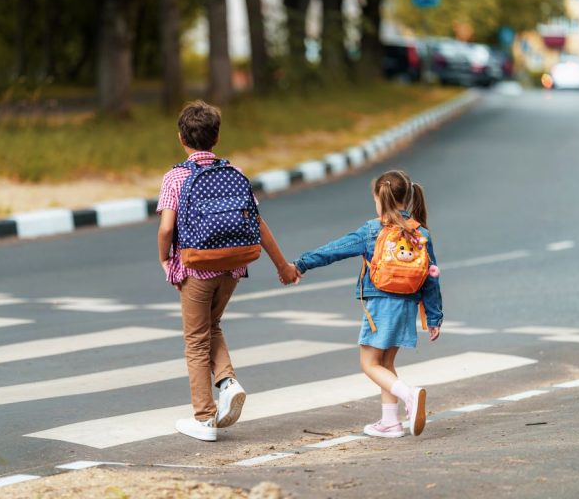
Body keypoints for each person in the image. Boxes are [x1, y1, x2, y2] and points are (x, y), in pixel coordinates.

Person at [157, 100, 299, 442]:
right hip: (233, 267)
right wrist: (283, 266)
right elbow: (258, 224)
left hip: (196, 268)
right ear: (216, 138)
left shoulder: (176, 177)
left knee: (195, 341)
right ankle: (227, 382)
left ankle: (205, 418)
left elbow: (166, 229)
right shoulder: (234, 173)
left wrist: (165, 259)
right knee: (212, 325)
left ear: (181, 138)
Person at [291, 170, 443, 438]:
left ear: (378, 197)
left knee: (369, 364)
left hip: (380, 304)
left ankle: (409, 395)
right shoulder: (420, 232)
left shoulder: (373, 230)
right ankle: (390, 423)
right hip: (407, 305)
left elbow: (334, 249)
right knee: (385, 364)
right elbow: (431, 277)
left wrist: (301, 264)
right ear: (408, 197)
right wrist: (434, 317)